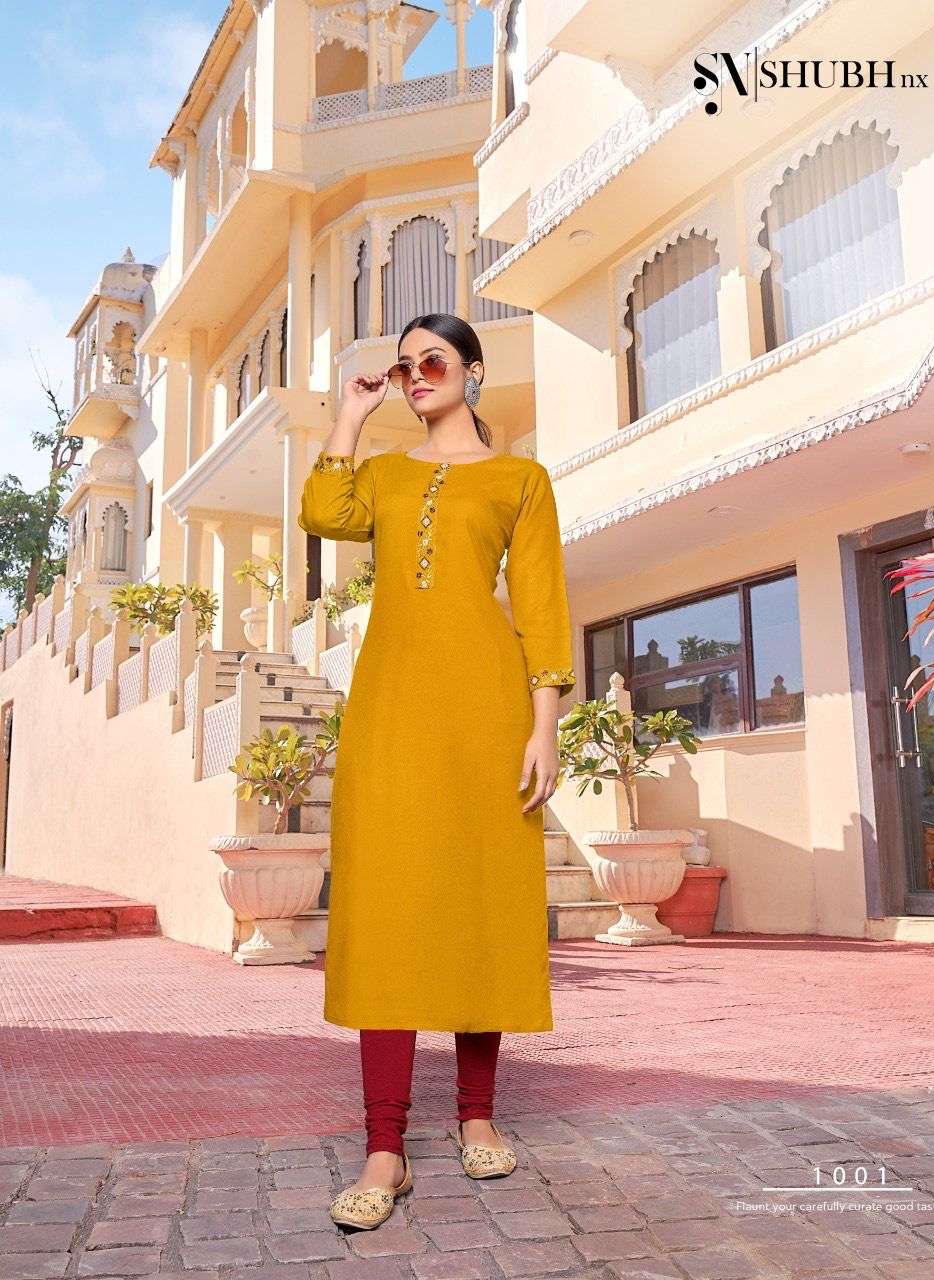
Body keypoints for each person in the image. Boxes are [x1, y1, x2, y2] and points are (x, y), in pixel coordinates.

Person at [298, 312, 575, 1230]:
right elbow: (324, 514)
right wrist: (351, 414)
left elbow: (540, 604)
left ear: (473, 372)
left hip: (487, 711)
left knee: (479, 898)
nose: (417, 374)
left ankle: (477, 1116)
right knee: (388, 910)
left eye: (434, 361)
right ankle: (386, 1146)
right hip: (390, 711)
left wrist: (544, 728)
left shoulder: (520, 480)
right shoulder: (381, 474)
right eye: (405, 365)